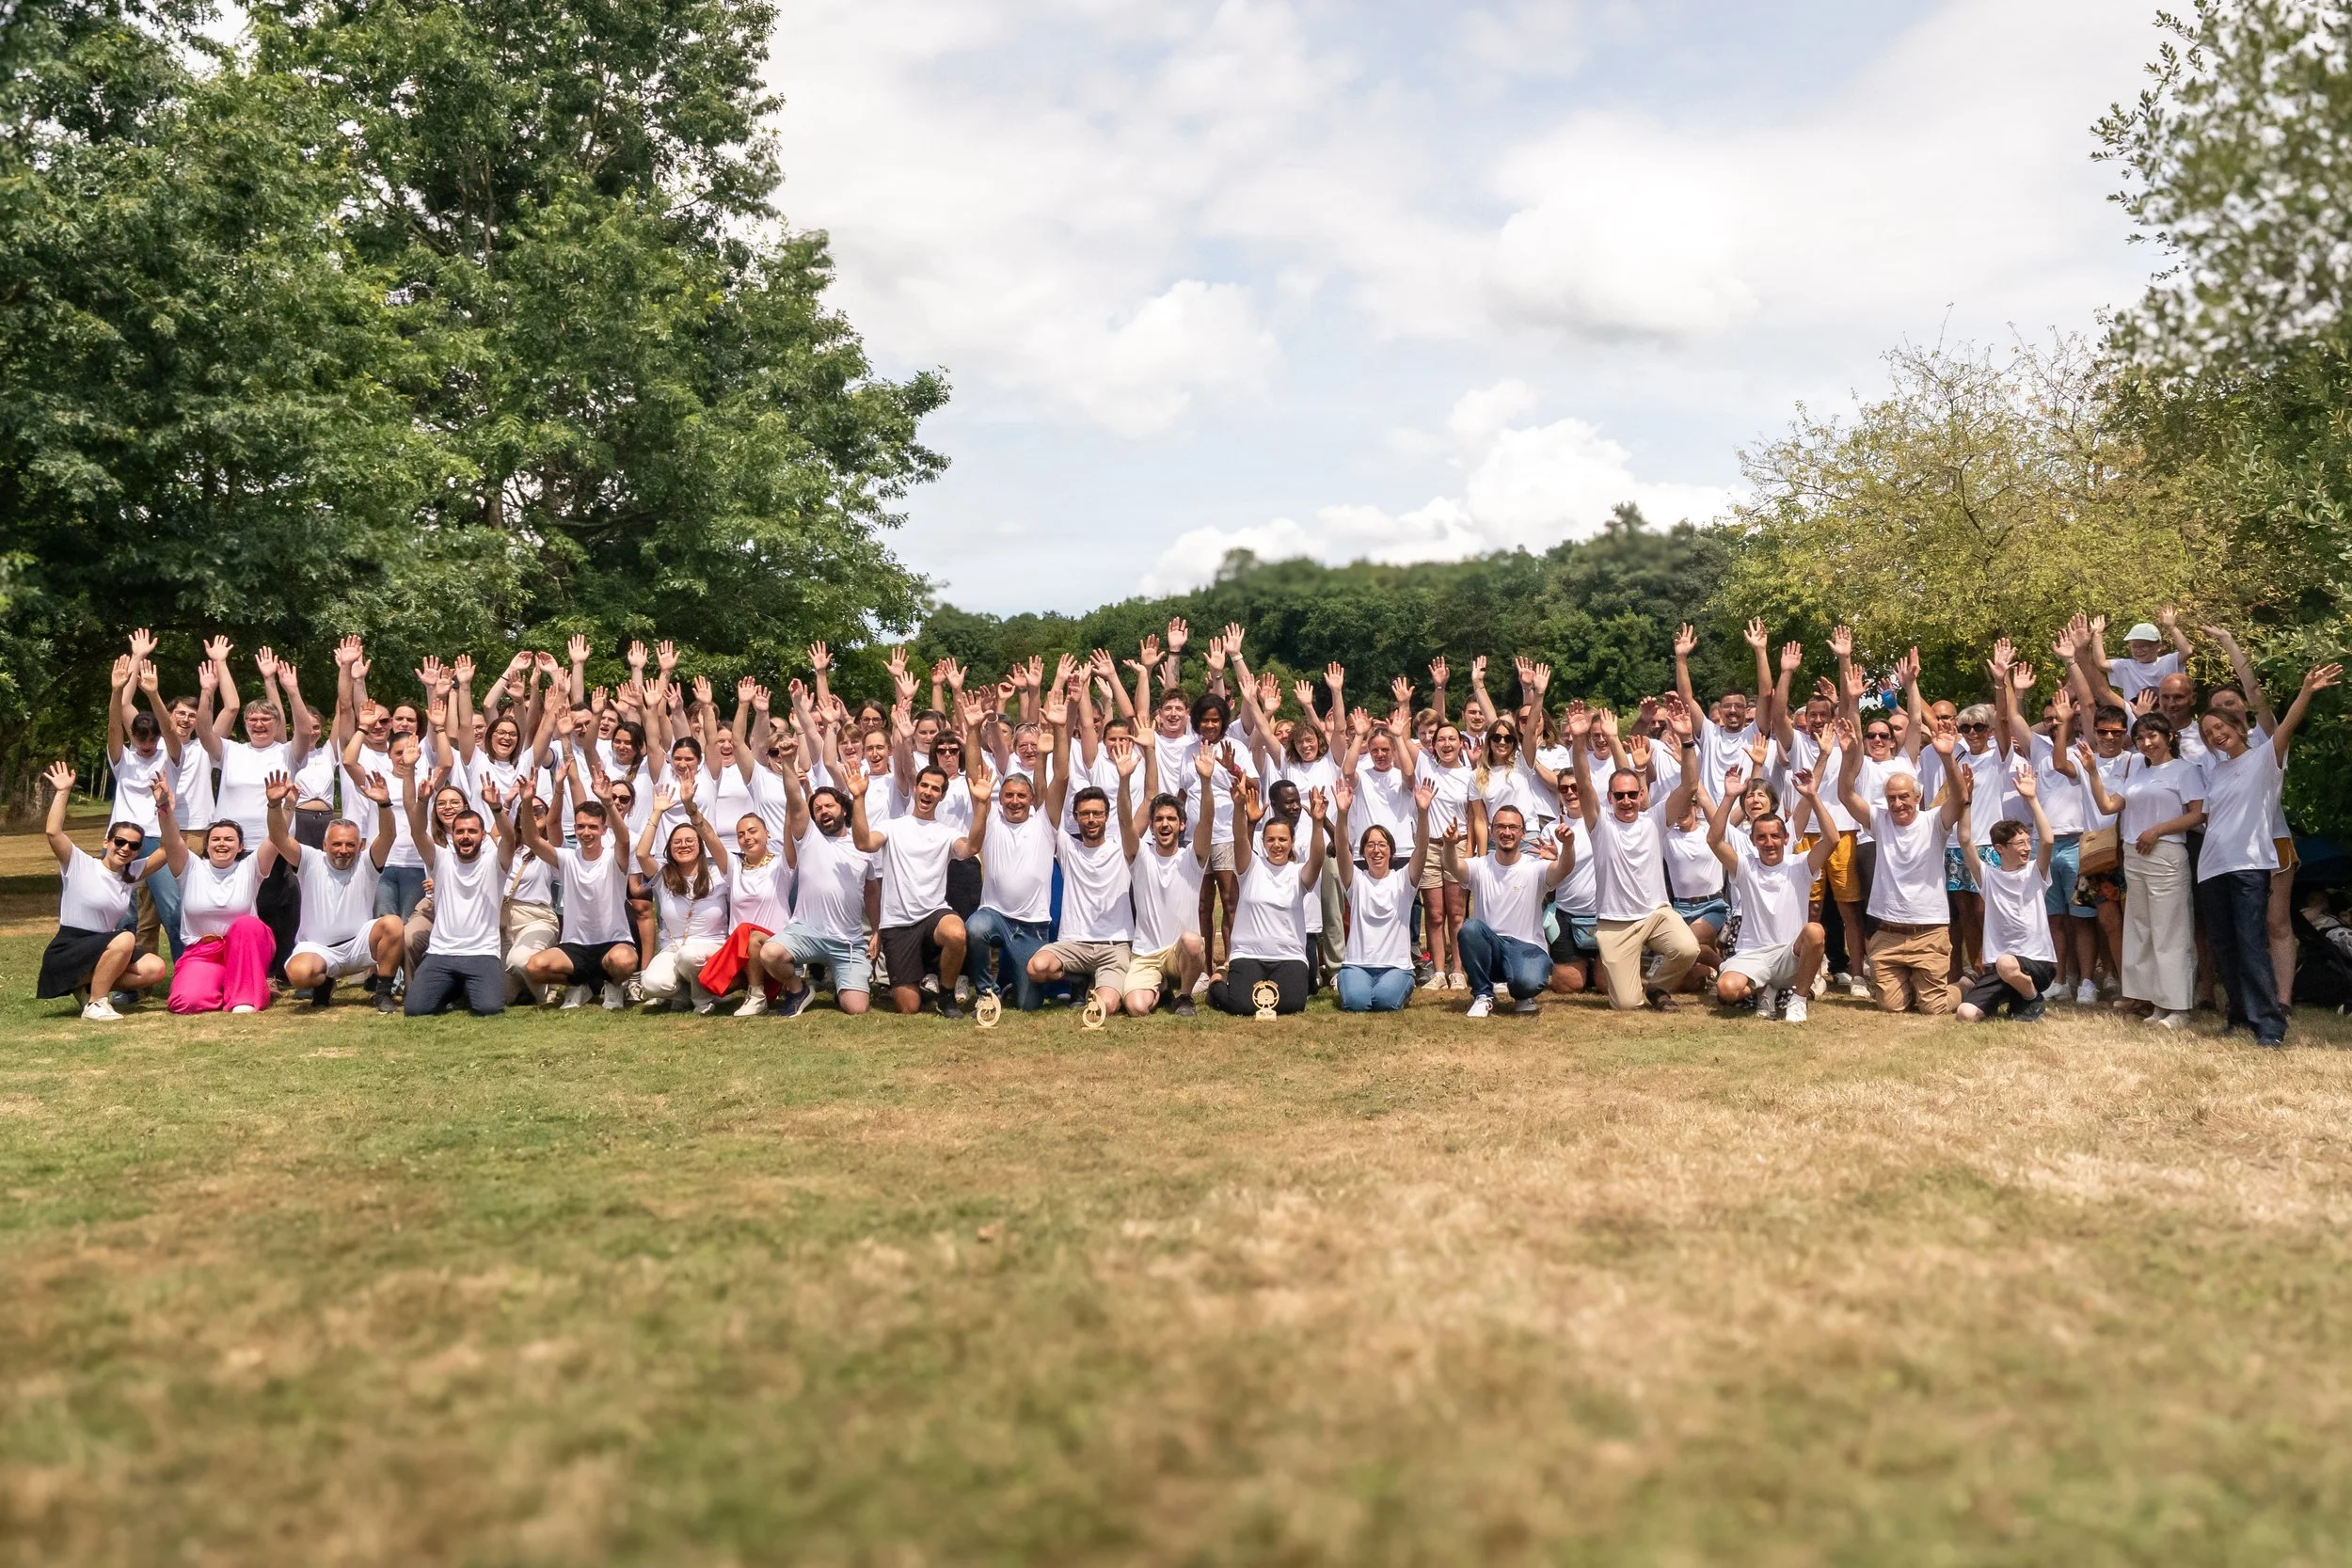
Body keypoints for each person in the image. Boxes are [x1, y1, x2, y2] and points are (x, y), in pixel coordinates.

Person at [2192, 662, 2340, 1046]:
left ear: (2238, 725)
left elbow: (2286, 724)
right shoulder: (2216, 773)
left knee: (2251, 942)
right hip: (2211, 867)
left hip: (2249, 865)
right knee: (2225, 947)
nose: (2216, 734)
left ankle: (2269, 1025)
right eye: (2209, 733)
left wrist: (2306, 691)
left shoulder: (2265, 757)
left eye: (2220, 726)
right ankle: (2239, 1016)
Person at [1838, 663, 1967, 1015]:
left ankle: (1965, 985)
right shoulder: (1879, 821)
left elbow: (1959, 798)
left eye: (1904, 798)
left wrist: (1947, 757)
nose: (1897, 804)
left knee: (1933, 1008)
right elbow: (1847, 795)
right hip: (1890, 935)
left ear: (1918, 796)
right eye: (1892, 798)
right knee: (1892, 1007)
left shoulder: (1934, 822)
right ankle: (1907, 982)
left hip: (1928, 932)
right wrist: (1848, 754)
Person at [1567, 701, 1702, 1011]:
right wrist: (1578, 740)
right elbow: (1584, 785)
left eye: (1632, 794)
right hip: (1615, 923)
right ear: (1610, 797)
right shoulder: (1600, 824)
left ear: (1641, 794)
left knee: (1687, 949)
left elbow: (1690, 785)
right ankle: (1639, 990)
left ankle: (1657, 986)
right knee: (1627, 1004)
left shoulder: (1654, 818)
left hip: (1656, 914)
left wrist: (1686, 740)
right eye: (1620, 795)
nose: (1626, 800)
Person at [2076, 715, 2202, 1027]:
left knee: (2170, 931)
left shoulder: (2185, 771)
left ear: (2169, 736)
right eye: (2141, 738)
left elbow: (2198, 814)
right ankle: (2156, 1002)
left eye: (2153, 736)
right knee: (2142, 930)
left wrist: (2157, 831)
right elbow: (2107, 806)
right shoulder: (2137, 773)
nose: (2147, 743)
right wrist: (2092, 771)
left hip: (2165, 854)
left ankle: (2178, 1008)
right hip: (2135, 854)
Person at [36, 763, 169, 1020]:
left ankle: (88, 988)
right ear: (106, 841)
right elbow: (53, 832)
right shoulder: (79, 863)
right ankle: (96, 1003)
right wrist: (63, 791)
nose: (125, 848)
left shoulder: (130, 873)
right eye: (120, 841)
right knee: (126, 937)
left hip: (104, 948)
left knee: (155, 968)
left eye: (133, 846)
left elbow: (167, 850)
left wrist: (164, 807)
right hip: (69, 948)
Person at [267, 768, 405, 1009]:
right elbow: (279, 837)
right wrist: (274, 805)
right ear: (324, 844)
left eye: (350, 844)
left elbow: (388, 835)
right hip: (318, 948)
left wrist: (384, 805)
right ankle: (324, 984)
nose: (343, 850)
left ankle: (383, 993)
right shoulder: (309, 859)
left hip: (360, 944)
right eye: (337, 844)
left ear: (360, 846)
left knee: (393, 924)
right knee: (298, 974)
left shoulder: (366, 862)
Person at [1707, 765, 1836, 1023]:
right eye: (1762, 837)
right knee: (1727, 989)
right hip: (1753, 954)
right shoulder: (1745, 867)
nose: (1769, 843)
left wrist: (1812, 796)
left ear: (1786, 839)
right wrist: (1729, 796)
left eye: (1775, 836)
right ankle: (1765, 989)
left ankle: (1798, 1000)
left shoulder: (1800, 865)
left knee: (1815, 931)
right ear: (1753, 841)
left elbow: (1832, 840)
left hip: (1790, 954)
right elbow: (1714, 840)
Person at [851, 755, 974, 1020]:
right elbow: (864, 843)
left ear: (942, 796)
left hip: (933, 914)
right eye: (924, 785)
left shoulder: (947, 832)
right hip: (897, 924)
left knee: (956, 933)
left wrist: (983, 805)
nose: (928, 792)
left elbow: (970, 848)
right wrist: (858, 798)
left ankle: (946, 994)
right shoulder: (891, 826)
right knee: (908, 1007)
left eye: (935, 789)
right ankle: (925, 979)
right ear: (916, 788)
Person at [515, 753, 640, 1009]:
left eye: (593, 827)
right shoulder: (567, 858)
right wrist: (526, 802)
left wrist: (608, 802)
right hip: (575, 946)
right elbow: (533, 840)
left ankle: (614, 985)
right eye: (581, 827)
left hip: (613, 942)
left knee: (625, 961)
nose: (586, 832)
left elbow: (625, 840)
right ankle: (578, 987)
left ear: (603, 829)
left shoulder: (614, 858)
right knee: (534, 967)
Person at [1028, 735, 1142, 1018]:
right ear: (1076, 817)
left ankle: (1092, 983)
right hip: (1073, 942)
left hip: (1114, 945)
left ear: (1107, 817)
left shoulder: (1123, 847)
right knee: (1037, 968)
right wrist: (1042, 758)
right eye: (1085, 814)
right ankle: (1077, 978)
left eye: (1097, 814)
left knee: (1107, 1007)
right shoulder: (1068, 847)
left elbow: (1141, 805)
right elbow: (1043, 803)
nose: (1091, 819)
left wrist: (1125, 779)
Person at [755, 759, 878, 1018]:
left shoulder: (863, 846)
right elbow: (795, 799)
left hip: (848, 942)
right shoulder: (808, 838)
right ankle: (798, 989)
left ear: (844, 810)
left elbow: (871, 893)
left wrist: (877, 931)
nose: (823, 811)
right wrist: (788, 762)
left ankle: (843, 983)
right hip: (807, 932)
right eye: (818, 808)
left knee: (857, 1008)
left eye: (829, 806)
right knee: (770, 953)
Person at [398, 752, 517, 1017]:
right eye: (460, 831)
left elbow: (509, 839)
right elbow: (417, 831)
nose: (465, 836)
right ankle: (451, 988)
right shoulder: (441, 859)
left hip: (482, 953)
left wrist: (497, 808)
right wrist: (423, 800)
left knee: (489, 1008)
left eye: (472, 831)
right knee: (416, 1009)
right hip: (441, 953)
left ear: (482, 835)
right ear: (452, 835)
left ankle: (462, 988)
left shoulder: (494, 863)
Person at [160, 768, 283, 1016]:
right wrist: (163, 807)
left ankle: (244, 994)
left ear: (240, 846)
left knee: (247, 924)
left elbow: (277, 837)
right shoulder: (190, 867)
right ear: (206, 845)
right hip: (203, 951)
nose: (222, 844)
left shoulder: (251, 867)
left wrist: (277, 805)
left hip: (245, 950)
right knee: (186, 1002)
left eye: (229, 839)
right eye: (215, 839)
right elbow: (172, 839)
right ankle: (232, 984)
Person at [964, 700, 1059, 1011]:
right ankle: (986, 992)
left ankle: (1015, 987)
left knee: (1028, 1004)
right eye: (1008, 795)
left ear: (1031, 799)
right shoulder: (992, 819)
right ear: (1000, 798)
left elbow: (1061, 779)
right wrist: (974, 729)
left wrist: (1057, 734)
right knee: (975, 928)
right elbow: (974, 774)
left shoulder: (1043, 824)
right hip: (995, 916)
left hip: (1031, 926)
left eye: (1021, 796)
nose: (1014, 801)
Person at [1207, 777, 1327, 1017]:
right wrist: (1239, 807)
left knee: (1292, 1004)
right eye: (1271, 839)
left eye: (1282, 839)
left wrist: (1317, 823)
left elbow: (1317, 859)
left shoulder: (1298, 873)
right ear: (1263, 843)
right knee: (1243, 1006)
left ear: (1291, 842)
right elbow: (1240, 838)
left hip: (1289, 956)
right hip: (1249, 954)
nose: (1276, 845)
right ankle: (1217, 981)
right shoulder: (1250, 867)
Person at [1445, 801, 1576, 1018]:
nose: (1507, 832)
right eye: (1501, 827)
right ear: (1491, 831)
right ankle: (1483, 995)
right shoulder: (1480, 865)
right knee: (1470, 929)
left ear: (1523, 833)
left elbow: (1563, 869)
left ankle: (1523, 994)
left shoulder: (1534, 867)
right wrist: (1449, 846)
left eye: (1513, 827)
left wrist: (1568, 846)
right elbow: (1454, 867)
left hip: (1527, 947)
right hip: (1491, 946)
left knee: (1528, 981)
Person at [1955, 763, 2058, 1022]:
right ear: (2000, 848)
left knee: (2006, 963)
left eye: (2028, 842)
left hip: (2036, 963)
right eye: (2019, 843)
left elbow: (2047, 840)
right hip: (2001, 967)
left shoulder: (2035, 872)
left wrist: (2031, 799)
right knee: (1965, 1014)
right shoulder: (1988, 877)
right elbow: (1965, 840)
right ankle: (2015, 1000)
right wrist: (1966, 802)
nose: (2027, 848)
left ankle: (2032, 998)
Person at [1332, 775, 1434, 1012]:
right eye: (1370, 845)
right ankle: (1349, 982)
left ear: (1391, 852)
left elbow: (1421, 849)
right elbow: (1341, 847)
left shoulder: (1404, 880)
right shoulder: (1356, 880)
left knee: (1384, 1002)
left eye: (1382, 845)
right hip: (1358, 965)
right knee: (1357, 1003)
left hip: (1396, 967)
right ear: (1362, 852)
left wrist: (1422, 812)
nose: (1376, 850)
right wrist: (1342, 813)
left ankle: (1400, 986)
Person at [635, 778, 731, 1012]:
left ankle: (702, 999)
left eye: (690, 841)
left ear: (700, 846)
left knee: (688, 957)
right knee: (651, 984)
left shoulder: (719, 874)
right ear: (669, 849)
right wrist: (657, 812)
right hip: (673, 947)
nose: (684, 845)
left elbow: (714, 841)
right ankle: (684, 994)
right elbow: (641, 854)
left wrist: (691, 809)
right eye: (677, 842)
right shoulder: (664, 876)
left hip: (712, 947)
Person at [1126, 762, 1211, 1018]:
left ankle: (1184, 997)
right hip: (1146, 954)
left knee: (1193, 941)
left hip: (1179, 953)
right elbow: (1123, 821)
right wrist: (1123, 780)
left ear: (1182, 825)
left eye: (1171, 819)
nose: (1165, 824)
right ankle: (1160, 989)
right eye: (1159, 819)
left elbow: (1207, 820)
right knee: (1136, 1007)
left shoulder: (1192, 858)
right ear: (1151, 825)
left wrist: (1205, 782)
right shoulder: (1140, 856)